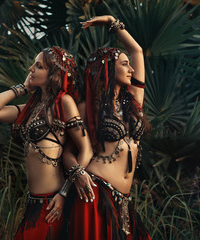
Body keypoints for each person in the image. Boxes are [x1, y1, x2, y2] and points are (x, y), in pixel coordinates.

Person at [0, 46, 92, 240]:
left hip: (51, 202)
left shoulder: (64, 103)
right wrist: (23, 88)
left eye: (38, 66)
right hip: (33, 202)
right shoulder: (31, 108)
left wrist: (64, 193)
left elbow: (86, 149)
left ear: (54, 75)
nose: (31, 69)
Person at [62, 16, 151, 240]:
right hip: (95, 192)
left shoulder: (133, 100)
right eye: (124, 64)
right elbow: (69, 152)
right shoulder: (87, 107)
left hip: (124, 199)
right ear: (109, 69)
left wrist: (113, 22)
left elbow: (137, 51)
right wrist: (78, 173)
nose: (131, 68)